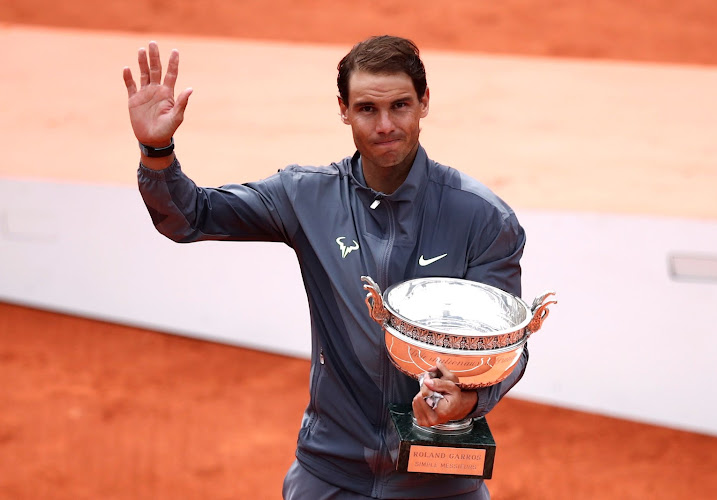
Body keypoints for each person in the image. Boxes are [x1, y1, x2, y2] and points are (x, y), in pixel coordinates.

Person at [123, 35, 527, 499]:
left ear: (424, 103)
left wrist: (469, 400)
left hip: (441, 480)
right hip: (330, 473)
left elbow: (508, 349)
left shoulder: (482, 217)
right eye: (367, 109)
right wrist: (157, 151)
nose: (385, 125)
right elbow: (190, 216)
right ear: (343, 109)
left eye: (400, 105)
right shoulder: (305, 195)